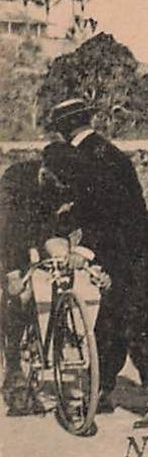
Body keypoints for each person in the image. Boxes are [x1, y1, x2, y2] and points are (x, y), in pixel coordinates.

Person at [41, 98, 148, 427]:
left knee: (133, 324)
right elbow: (94, 207)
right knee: (109, 323)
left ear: (62, 127)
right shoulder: (103, 150)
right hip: (130, 248)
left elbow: (102, 212)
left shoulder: (86, 158)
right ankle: (101, 392)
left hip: (134, 252)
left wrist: (82, 251)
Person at [1, 157, 52, 415]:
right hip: (6, 236)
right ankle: (13, 369)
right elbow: (8, 232)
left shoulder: (58, 182)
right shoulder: (14, 183)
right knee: (18, 296)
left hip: (30, 231)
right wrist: (13, 273)